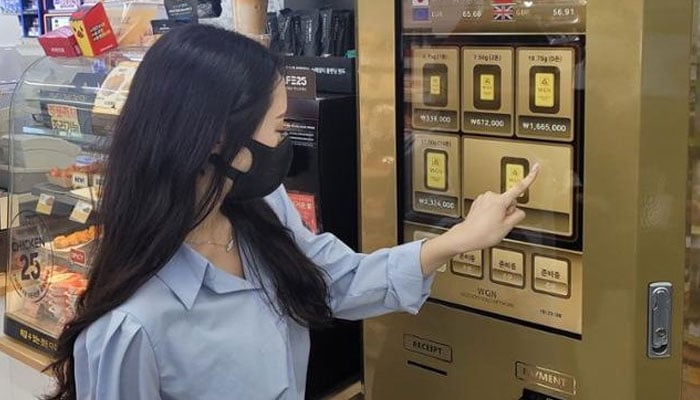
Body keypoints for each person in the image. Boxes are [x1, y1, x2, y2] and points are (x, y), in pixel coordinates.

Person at [44, 24, 539, 400]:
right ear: (219, 139)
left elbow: (334, 282)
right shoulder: (132, 328)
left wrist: (457, 240)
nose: (286, 147)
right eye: (280, 129)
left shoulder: (257, 209)